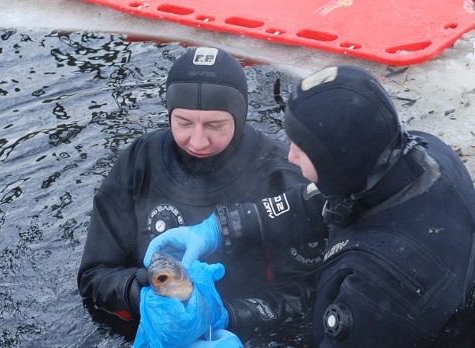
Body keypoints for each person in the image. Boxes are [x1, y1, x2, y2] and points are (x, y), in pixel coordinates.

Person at [145, 65, 475, 346]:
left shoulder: (380, 285)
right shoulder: (419, 154)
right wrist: (217, 228)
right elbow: (311, 203)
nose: (289, 156)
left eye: (303, 148)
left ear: (339, 162)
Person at [77, 46, 328, 345]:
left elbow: (308, 295)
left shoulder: (280, 175)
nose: (197, 140)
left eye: (214, 125)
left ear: (240, 115)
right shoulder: (140, 161)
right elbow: (95, 274)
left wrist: (226, 317)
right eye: (183, 123)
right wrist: (141, 293)